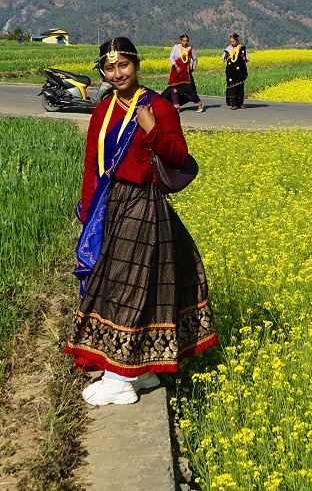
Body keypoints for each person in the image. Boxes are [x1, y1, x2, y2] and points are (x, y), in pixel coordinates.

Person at [65, 37, 218, 405]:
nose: (117, 74)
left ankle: (119, 379)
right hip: (110, 205)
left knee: (125, 287)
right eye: (109, 68)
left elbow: (179, 157)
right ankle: (142, 371)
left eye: (123, 66)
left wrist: (150, 128)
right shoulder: (103, 110)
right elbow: (91, 166)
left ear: (136, 65)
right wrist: (89, 215)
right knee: (128, 286)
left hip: (142, 206)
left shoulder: (159, 106)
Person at [166, 34, 203, 113]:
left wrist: (193, 68)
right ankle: (176, 106)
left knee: (189, 89)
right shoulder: (176, 47)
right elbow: (171, 57)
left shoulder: (190, 49)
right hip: (175, 72)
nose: (185, 43)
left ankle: (199, 104)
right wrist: (176, 66)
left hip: (185, 73)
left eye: (186, 41)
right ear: (180, 41)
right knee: (174, 88)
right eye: (183, 41)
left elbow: (195, 59)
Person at [223, 33, 249, 109]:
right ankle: (233, 104)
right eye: (231, 42)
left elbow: (247, 58)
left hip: (240, 71)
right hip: (231, 71)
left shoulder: (242, 48)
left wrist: (245, 59)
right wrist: (225, 57)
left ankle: (240, 103)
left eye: (233, 41)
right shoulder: (228, 48)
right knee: (232, 88)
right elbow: (223, 58)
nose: (232, 43)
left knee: (240, 88)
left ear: (237, 41)